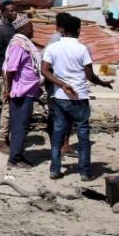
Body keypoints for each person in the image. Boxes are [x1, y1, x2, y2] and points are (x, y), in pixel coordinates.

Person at [41, 15, 114, 181]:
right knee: (83, 134)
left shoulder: (53, 47)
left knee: (58, 133)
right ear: (79, 30)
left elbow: (44, 71)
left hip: (59, 96)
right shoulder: (82, 48)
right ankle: (84, 172)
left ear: (62, 30)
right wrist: (102, 83)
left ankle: (55, 169)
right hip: (79, 97)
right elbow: (90, 75)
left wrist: (61, 84)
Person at [2, 15, 41, 168]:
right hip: (20, 93)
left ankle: (18, 154)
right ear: (24, 28)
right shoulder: (18, 45)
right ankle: (14, 159)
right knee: (19, 126)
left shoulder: (25, 44)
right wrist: (8, 89)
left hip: (28, 91)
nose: (33, 29)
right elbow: (10, 69)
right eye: (31, 26)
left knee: (22, 125)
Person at [46, 13, 76, 157]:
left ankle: (64, 144)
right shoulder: (56, 40)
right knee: (57, 114)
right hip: (56, 82)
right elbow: (47, 64)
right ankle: (57, 146)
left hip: (61, 82)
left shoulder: (61, 39)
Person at [0, 0, 17, 155]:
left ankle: (7, 138)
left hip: (10, 72)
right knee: (7, 106)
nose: (13, 13)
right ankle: (2, 140)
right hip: (6, 73)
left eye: (14, 10)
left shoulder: (12, 29)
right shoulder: (6, 32)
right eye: (10, 11)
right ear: (3, 13)